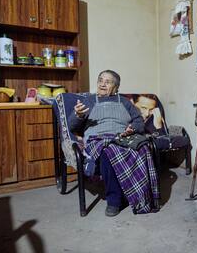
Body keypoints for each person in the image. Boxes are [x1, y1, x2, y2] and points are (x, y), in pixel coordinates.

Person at [68, 70, 159, 216]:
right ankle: (114, 201)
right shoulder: (89, 101)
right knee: (107, 151)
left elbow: (139, 123)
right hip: (97, 139)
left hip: (122, 137)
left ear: (116, 87)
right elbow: (72, 127)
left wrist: (132, 128)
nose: (102, 84)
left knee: (143, 148)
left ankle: (142, 196)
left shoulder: (124, 102)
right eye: (100, 80)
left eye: (108, 82)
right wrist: (78, 115)